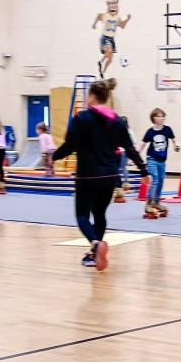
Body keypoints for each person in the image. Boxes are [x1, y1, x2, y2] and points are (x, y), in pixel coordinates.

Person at [52, 79, 148, 270]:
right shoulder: (118, 121)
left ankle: (96, 245)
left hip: (87, 176)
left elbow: (70, 145)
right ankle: (94, 254)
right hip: (109, 177)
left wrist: (54, 156)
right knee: (100, 214)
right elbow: (129, 148)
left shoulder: (82, 118)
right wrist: (143, 170)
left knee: (81, 215)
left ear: (92, 96)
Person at [142, 108, 180, 218]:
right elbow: (142, 144)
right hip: (151, 158)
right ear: (153, 118)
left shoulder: (167, 130)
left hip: (162, 161)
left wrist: (176, 145)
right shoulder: (150, 132)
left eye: (163, 116)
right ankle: (148, 203)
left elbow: (174, 139)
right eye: (158, 116)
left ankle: (156, 202)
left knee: (161, 180)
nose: (161, 118)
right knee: (155, 179)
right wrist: (136, 156)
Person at [92, 0, 131, 76]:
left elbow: (122, 26)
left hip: (111, 38)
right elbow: (98, 15)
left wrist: (127, 19)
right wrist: (94, 24)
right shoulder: (106, 15)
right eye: (111, 7)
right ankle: (101, 61)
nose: (113, 9)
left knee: (111, 58)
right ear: (108, 8)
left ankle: (103, 72)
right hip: (105, 37)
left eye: (115, 7)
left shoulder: (117, 17)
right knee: (109, 50)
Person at [113, 116, 135, 203]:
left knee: (121, 168)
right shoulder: (119, 130)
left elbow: (133, 142)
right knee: (121, 168)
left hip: (123, 151)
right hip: (119, 151)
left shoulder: (129, 132)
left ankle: (124, 184)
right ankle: (122, 184)